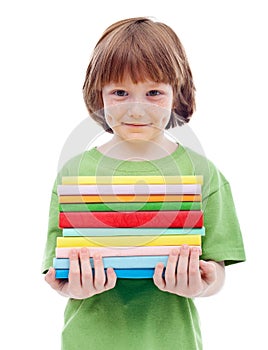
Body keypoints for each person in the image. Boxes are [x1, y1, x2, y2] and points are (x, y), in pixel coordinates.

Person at [42, 17, 246, 350]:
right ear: (99, 95)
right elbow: (56, 271)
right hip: (88, 340)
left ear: (175, 93)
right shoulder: (73, 173)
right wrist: (70, 287)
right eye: (120, 92)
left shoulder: (204, 174)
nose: (136, 110)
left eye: (153, 92)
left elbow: (217, 271)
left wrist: (201, 285)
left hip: (172, 341)